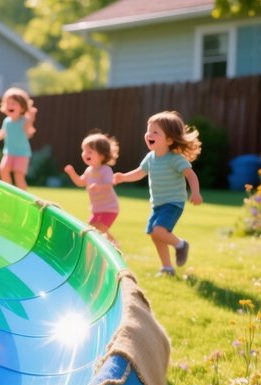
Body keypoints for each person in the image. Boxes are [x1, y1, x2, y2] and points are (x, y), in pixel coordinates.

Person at [113, 110, 202, 277]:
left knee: (158, 231)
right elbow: (139, 172)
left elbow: (191, 175)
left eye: (155, 132)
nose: (149, 134)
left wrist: (195, 193)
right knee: (156, 236)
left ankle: (181, 245)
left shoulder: (175, 159)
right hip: (157, 204)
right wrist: (123, 177)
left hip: (173, 203)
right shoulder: (150, 157)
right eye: (148, 130)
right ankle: (167, 268)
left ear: (169, 139)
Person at [64, 131, 121, 246]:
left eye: (89, 151)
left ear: (101, 155)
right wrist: (72, 173)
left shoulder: (105, 169)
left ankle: (113, 245)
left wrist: (98, 187)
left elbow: (109, 183)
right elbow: (80, 182)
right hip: (96, 209)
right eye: (84, 151)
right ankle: (114, 243)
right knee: (91, 230)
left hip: (109, 208)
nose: (85, 154)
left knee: (97, 231)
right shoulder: (89, 170)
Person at [0, 86, 37, 190]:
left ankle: (25, 197)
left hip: (22, 154)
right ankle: (9, 190)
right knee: (3, 169)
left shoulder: (24, 121)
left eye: (13, 104)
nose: (10, 106)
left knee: (18, 175)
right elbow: (3, 132)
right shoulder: (7, 121)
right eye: (8, 103)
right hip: (9, 152)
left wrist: (32, 117)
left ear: (22, 108)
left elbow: (28, 130)